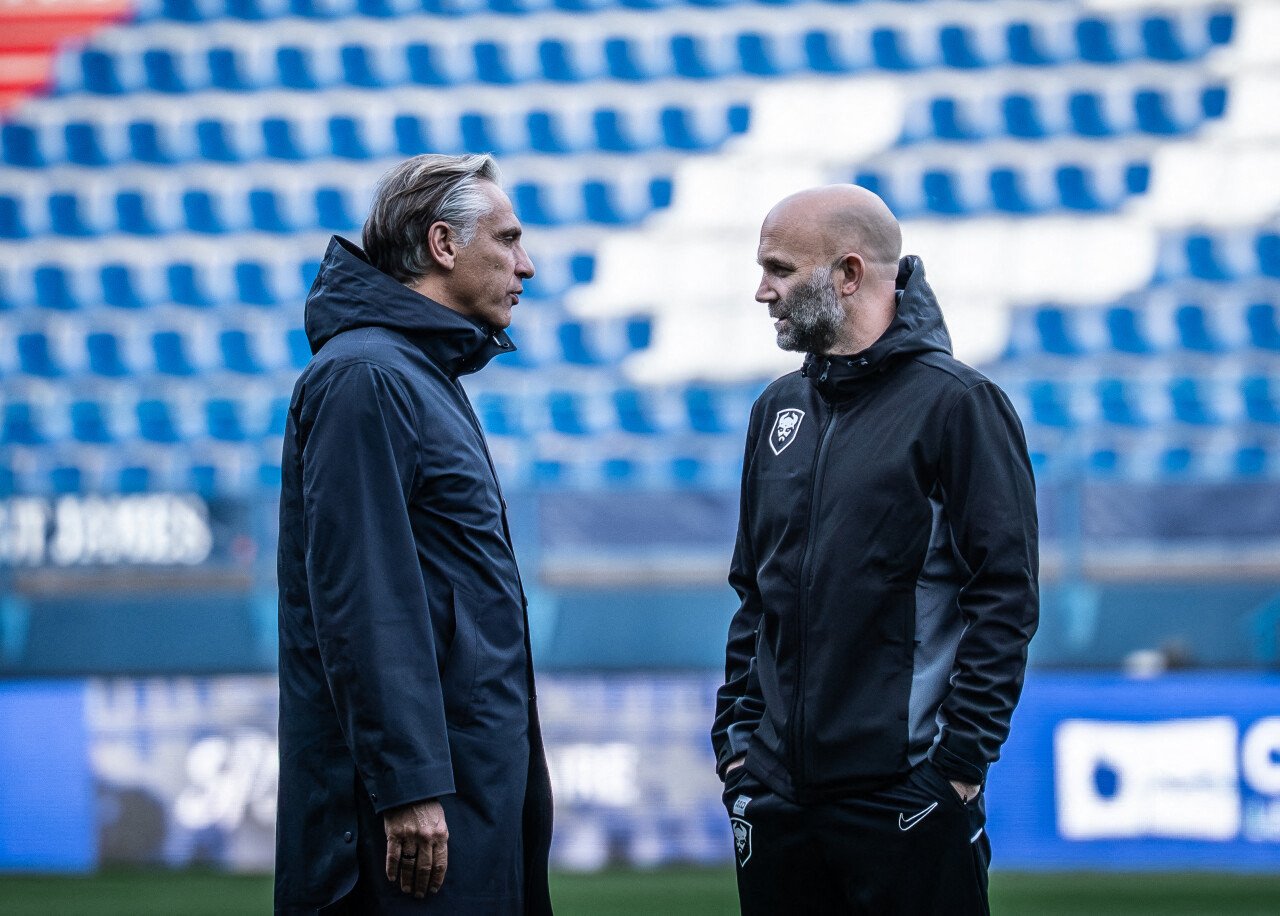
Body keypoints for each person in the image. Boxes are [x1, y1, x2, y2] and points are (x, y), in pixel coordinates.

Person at [711, 185, 1039, 915]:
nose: (762, 290)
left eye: (780, 268)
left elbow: (1006, 596)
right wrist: (738, 749)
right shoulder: (777, 409)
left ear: (849, 274)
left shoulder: (958, 404)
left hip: (906, 797)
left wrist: (955, 766)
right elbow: (754, 596)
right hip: (775, 799)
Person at [275, 154, 553, 915]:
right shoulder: (368, 377)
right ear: (442, 245)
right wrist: (409, 787)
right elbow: (364, 598)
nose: (526, 265)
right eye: (508, 239)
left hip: (466, 782)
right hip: (416, 814)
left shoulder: (416, 375)